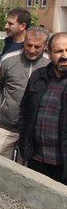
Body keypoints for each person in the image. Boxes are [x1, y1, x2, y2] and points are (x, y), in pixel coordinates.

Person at [0, 27, 50, 160]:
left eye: (37, 46)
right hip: (6, 125)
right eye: (28, 45)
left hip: (32, 129)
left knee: (25, 169)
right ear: (24, 41)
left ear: (45, 46)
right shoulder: (8, 60)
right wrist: (5, 106)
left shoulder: (49, 63)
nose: (31, 50)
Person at [18, 32, 67, 184]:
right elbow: (24, 109)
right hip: (36, 159)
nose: (64, 55)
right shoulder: (38, 76)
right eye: (59, 51)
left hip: (63, 164)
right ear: (49, 53)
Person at [0, 8, 33, 105]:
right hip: (4, 105)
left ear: (22, 26)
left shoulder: (30, 50)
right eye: (7, 23)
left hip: (20, 106)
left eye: (10, 24)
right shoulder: (8, 43)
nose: (6, 26)